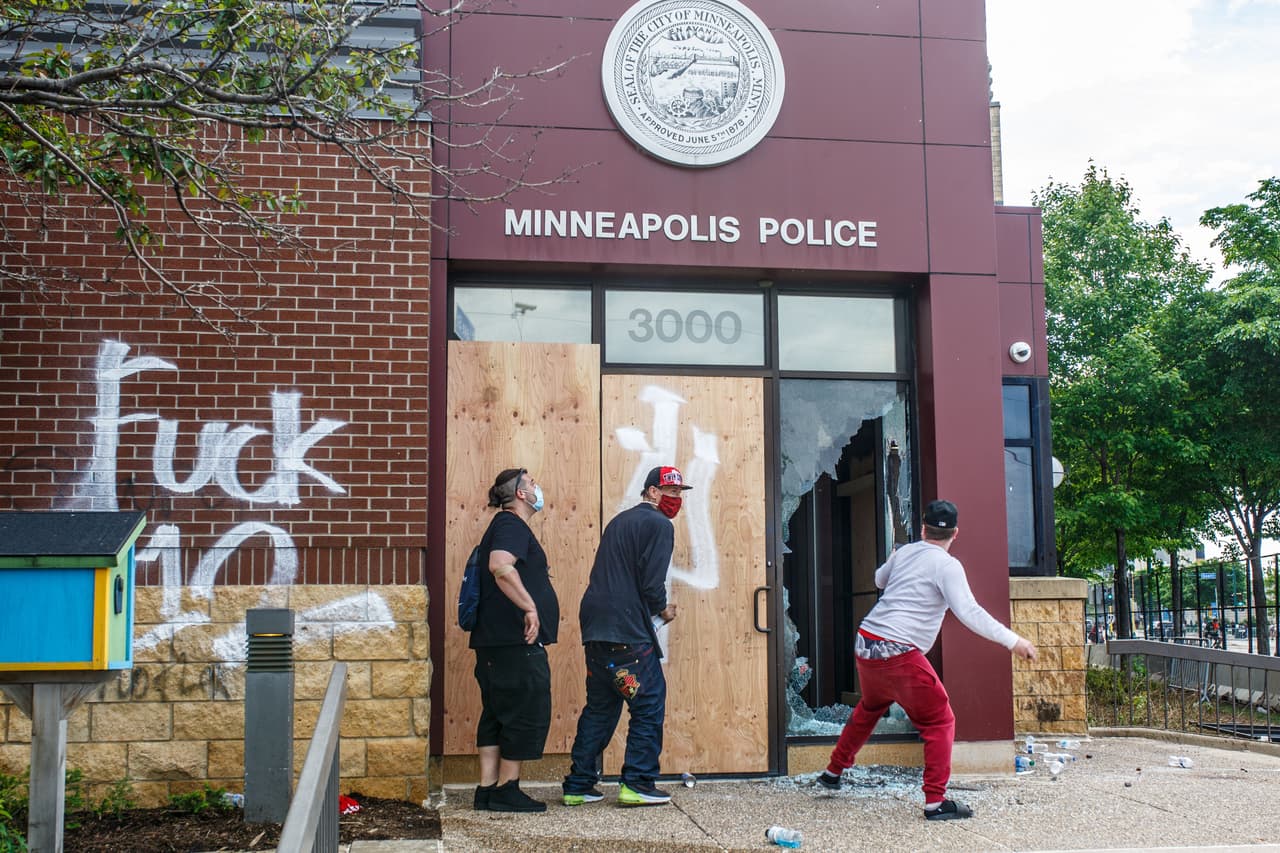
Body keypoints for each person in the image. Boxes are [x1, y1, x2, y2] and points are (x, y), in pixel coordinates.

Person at [816, 499, 1038, 821]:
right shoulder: (947, 566)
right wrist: (1013, 641)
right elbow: (969, 612)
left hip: (867, 643)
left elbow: (879, 580)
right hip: (898, 649)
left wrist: (895, 557)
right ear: (955, 533)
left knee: (870, 708)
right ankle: (935, 801)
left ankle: (833, 771)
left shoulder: (906, 552)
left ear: (923, 528)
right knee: (940, 721)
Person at [562, 465, 690, 807]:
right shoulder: (660, 525)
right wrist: (662, 609)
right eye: (668, 491)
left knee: (601, 707)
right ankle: (637, 783)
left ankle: (578, 785)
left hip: (596, 629)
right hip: (626, 633)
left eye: (679, 493)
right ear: (650, 491)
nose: (675, 499)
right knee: (648, 703)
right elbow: (651, 583)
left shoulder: (619, 521)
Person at [469, 467, 559, 813]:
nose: (538, 487)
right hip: (514, 641)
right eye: (533, 483)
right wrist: (530, 607)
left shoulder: (501, 526)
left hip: (496, 642)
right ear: (520, 494)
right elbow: (501, 566)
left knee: (496, 711)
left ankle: (487, 789)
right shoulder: (510, 525)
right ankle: (508, 789)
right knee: (525, 709)